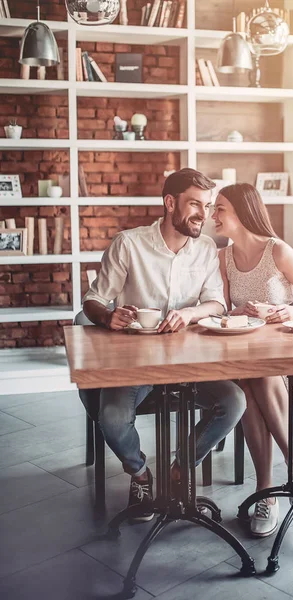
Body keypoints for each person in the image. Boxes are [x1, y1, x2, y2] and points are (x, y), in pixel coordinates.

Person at [81, 168, 246, 522]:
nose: (203, 213)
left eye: (208, 205)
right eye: (194, 204)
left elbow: (217, 303)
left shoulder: (206, 250)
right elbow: (93, 300)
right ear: (170, 203)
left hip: (191, 361)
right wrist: (107, 316)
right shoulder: (129, 244)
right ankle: (140, 474)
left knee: (234, 401)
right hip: (136, 362)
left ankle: (179, 470)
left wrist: (189, 314)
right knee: (111, 416)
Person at [212, 182, 293, 538]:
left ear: (242, 213)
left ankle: (270, 488)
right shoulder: (222, 258)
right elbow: (226, 310)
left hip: (288, 355)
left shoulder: (278, 251)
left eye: (220, 209)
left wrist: (286, 311)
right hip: (248, 355)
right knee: (249, 378)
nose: (214, 215)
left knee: (255, 377)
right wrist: (240, 311)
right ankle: (291, 474)